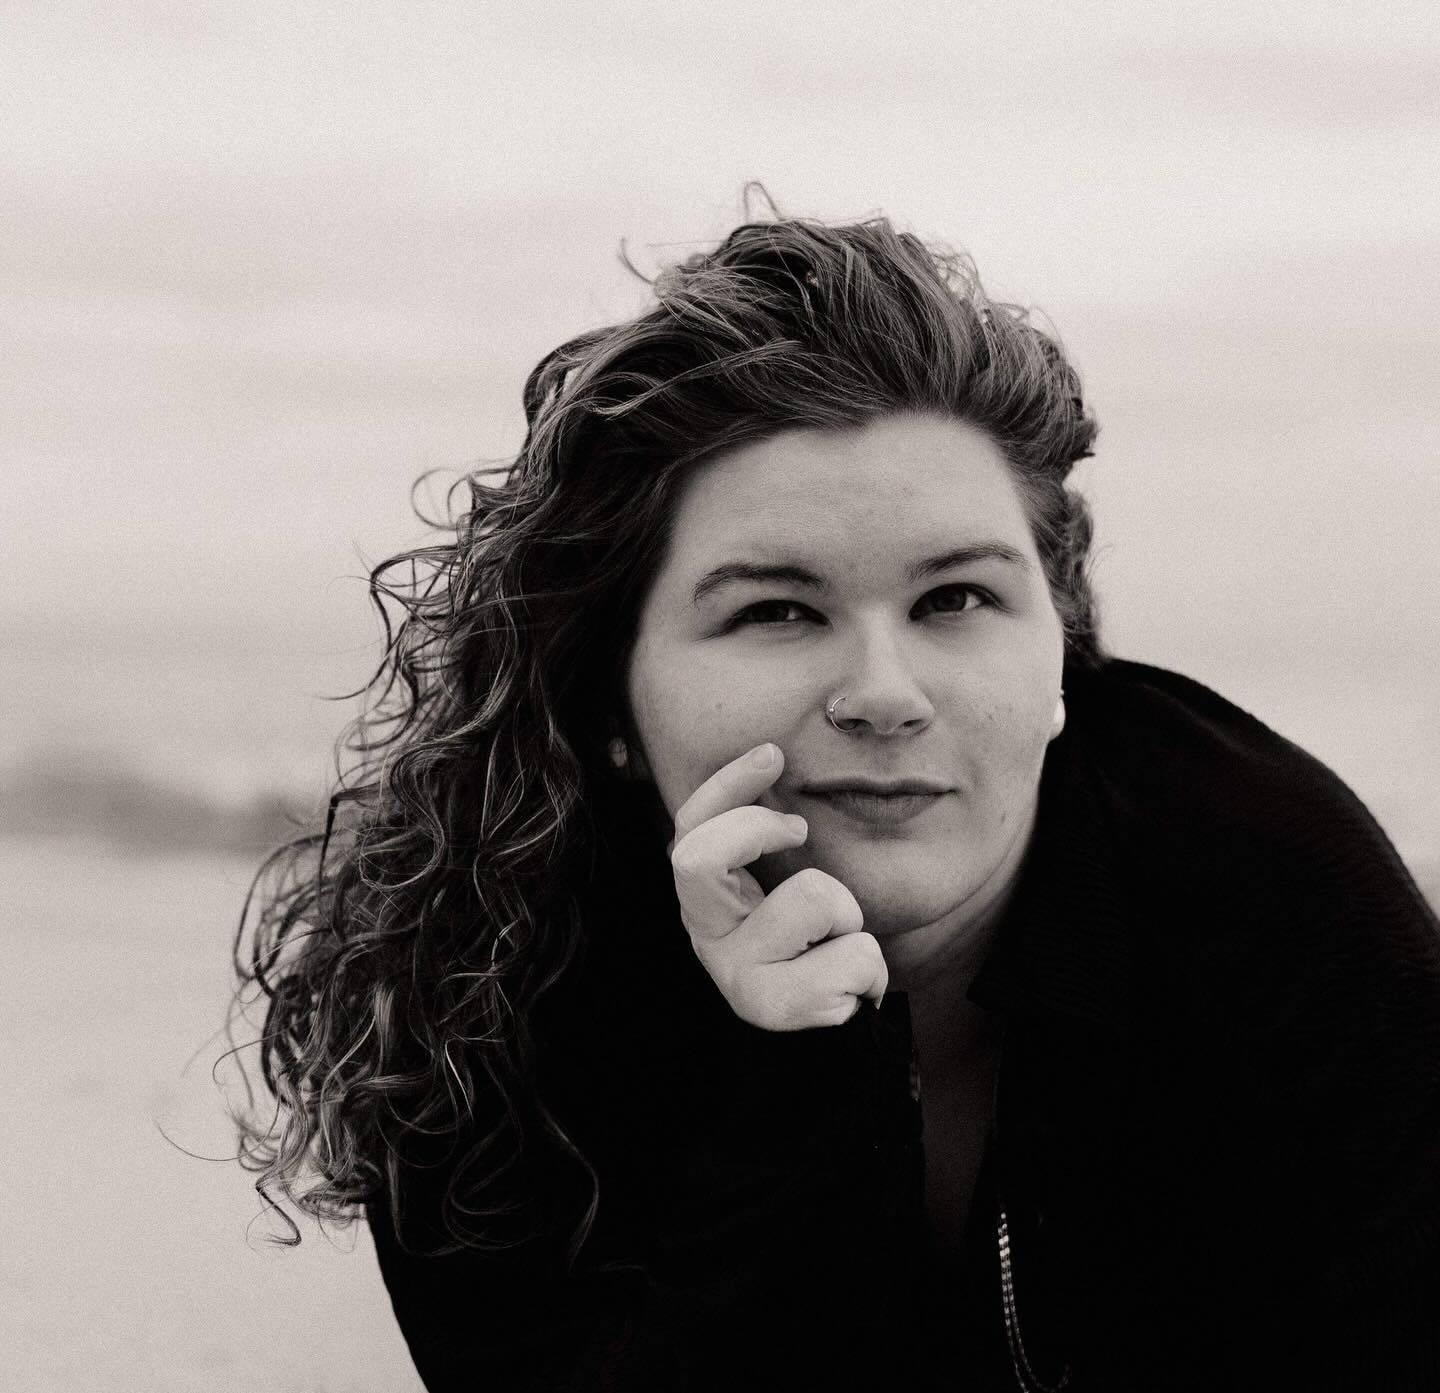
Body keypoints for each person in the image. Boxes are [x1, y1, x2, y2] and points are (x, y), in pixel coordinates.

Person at [233, 205, 1440, 1392]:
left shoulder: (1279, 895)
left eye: (956, 599)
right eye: (777, 610)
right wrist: (802, 1081)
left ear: (1062, 657)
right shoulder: (474, 995)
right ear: (607, 706)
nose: (884, 693)